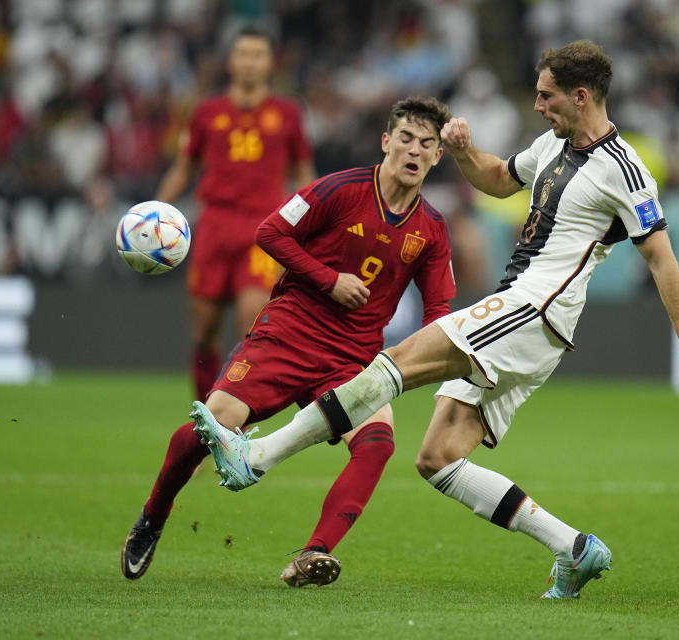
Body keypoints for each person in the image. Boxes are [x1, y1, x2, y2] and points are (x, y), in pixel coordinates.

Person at [194, 40, 679, 599]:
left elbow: (661, 258)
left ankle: (257, 455)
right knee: (439, 457)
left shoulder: (625, 170)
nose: (538, 104)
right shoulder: (552, 142)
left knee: (394, 362)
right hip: (526, 314)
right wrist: (465, 150)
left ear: (581, 95)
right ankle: (574, 548)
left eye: (546, 95)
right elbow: (499, 178)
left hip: (535, 307)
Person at [121, 96, 457, 587]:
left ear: (436, 158)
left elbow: (438, 312)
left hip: (352, 360)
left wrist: (429, 364)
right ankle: (153, 516)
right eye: (405, 138)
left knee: (378, 443)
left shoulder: (431, 229)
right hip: (288, 335)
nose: (414, 150)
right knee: (209, 427)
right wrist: (328, 280)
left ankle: (313, 554)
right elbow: (271, 232)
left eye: (427, 144)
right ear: (386, 142)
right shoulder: (339, 188)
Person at [155, 25, 316, 402]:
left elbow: (304, 175)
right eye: (243, 53)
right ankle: (201, 425)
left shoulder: (288, 114)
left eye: (258, 54)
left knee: (250, 329)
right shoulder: (206, 112)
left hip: (263, 231)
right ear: (230, 61)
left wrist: (308, 223)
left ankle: (231, 427)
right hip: (213, 226)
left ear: (270, 63)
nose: (250, 62)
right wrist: (156, 211)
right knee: (203, 334)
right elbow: (184, 166)